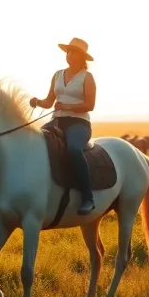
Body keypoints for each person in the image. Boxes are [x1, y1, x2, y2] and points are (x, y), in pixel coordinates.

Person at [29, 37, 97, 215]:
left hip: (79, 123)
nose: (69, 55)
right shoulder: (58, 74)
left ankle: (87, 197)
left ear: (82, 57)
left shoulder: (87, 77)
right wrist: (37, 101)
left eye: (74, 52)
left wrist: (68, 107)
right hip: (57, 121)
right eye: (68, 51)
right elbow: (49, 101)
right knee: (34, 142)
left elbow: (90, 105)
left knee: (74, 149)